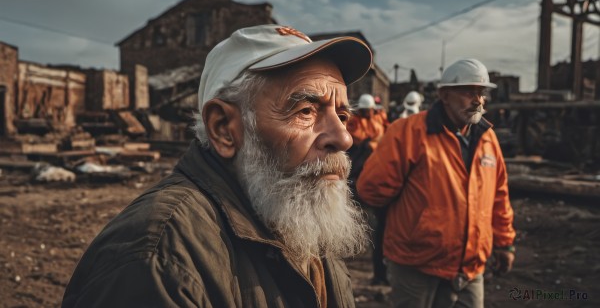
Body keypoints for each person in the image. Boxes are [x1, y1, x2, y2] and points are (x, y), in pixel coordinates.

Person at [62, 24, 373, 307]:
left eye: (342, 116)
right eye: (306, 111)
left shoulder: (299, 216)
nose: (343, 138)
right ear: (224, 128)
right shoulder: (158, 261)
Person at [357, 58, 516, 307]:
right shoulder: (408, 133)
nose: (478, 100)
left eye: (481, 92)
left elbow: (499, 195)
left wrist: (505, 243)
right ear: (444, 95)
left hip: (470, 267)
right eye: (467, 91)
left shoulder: (488, 138)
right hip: (417, 265)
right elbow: (372, 189)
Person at [346, 93, 388, 285]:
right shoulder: (356, 121)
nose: (367, 113)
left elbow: (382, 135)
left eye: (369, 110)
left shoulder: (379, 119)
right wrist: (368, 141)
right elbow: (354, 138)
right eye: (365, 110)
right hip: (361, 156)